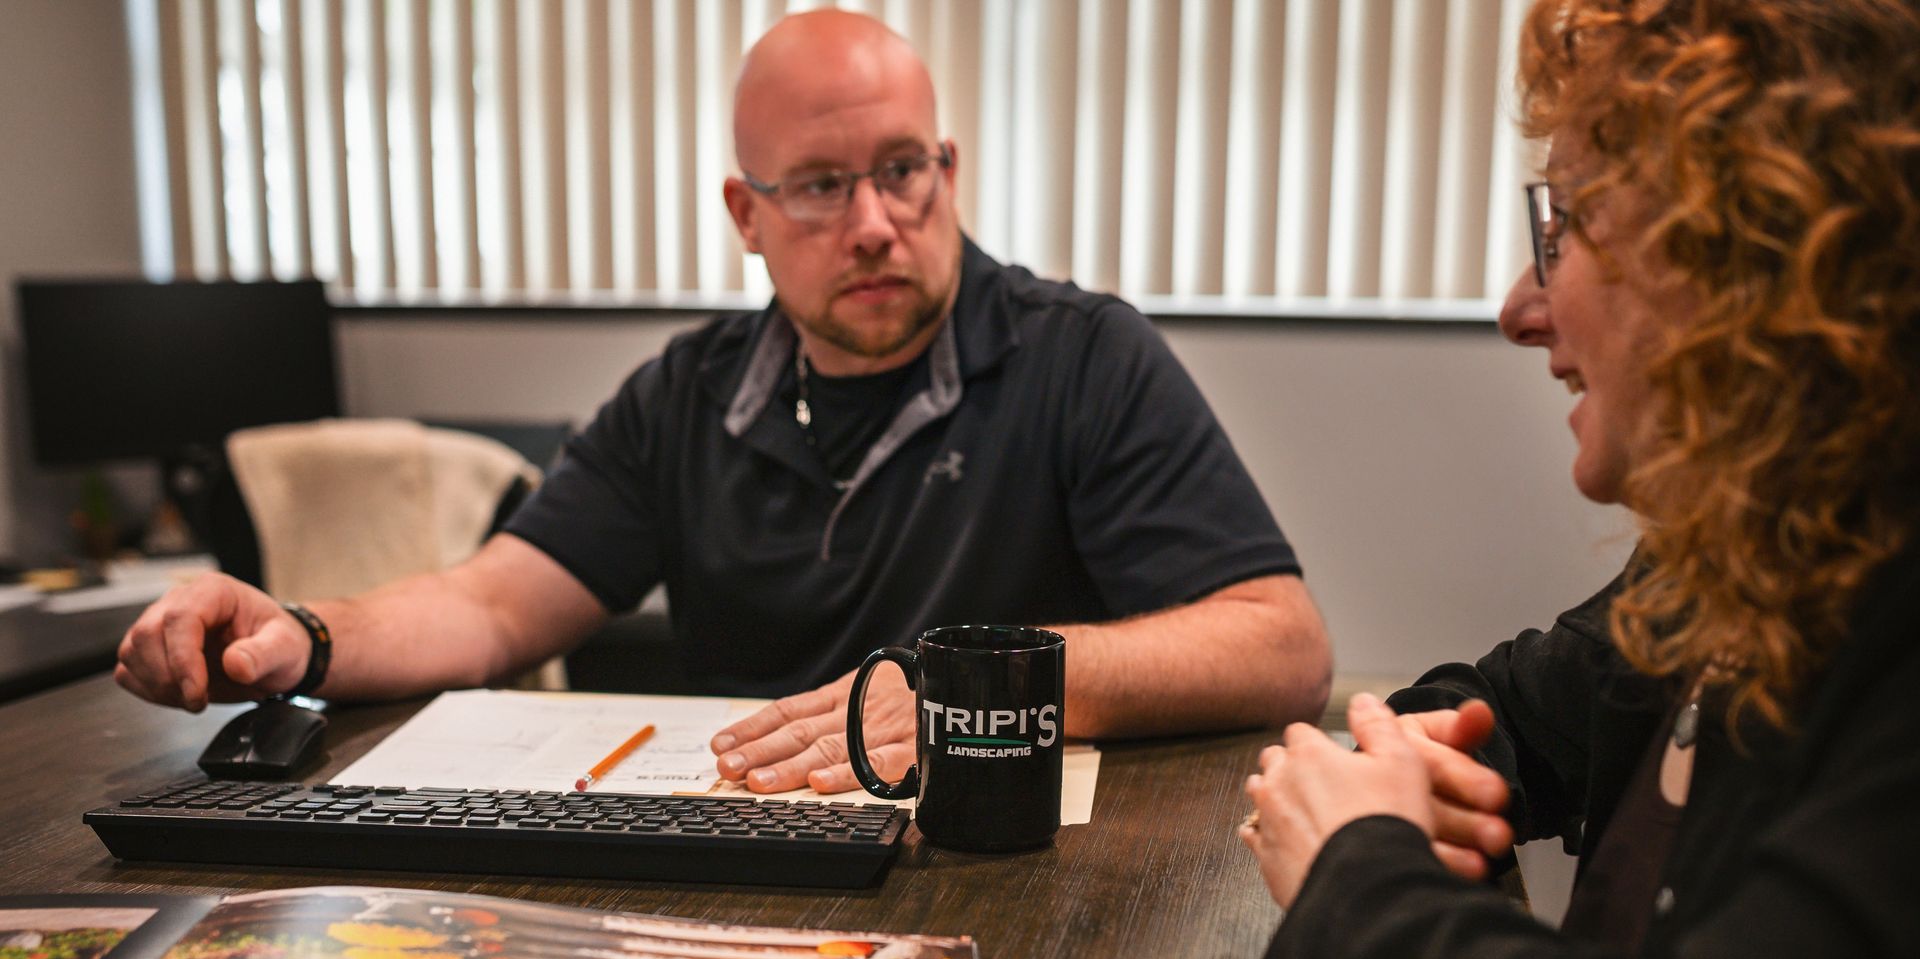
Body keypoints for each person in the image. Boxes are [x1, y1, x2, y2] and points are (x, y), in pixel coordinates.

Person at [114, 9, 1330, 793]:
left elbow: (1281, 644)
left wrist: (981, 682)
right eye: (816, 187)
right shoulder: (683, 395)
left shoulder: (1083, 358)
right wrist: (301, 633)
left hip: (1012, 865)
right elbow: (489, 605)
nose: (872, 224)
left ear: (947, 172)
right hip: (748, 857)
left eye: (903, 172)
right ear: (745, 215)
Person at [1238, 0, 1920, 959]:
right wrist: (1414, 758)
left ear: (1751, 244)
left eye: (1566, 226)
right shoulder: (1759, 549)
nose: (1519, 306)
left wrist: (1359, 869)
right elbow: (1513, 704)